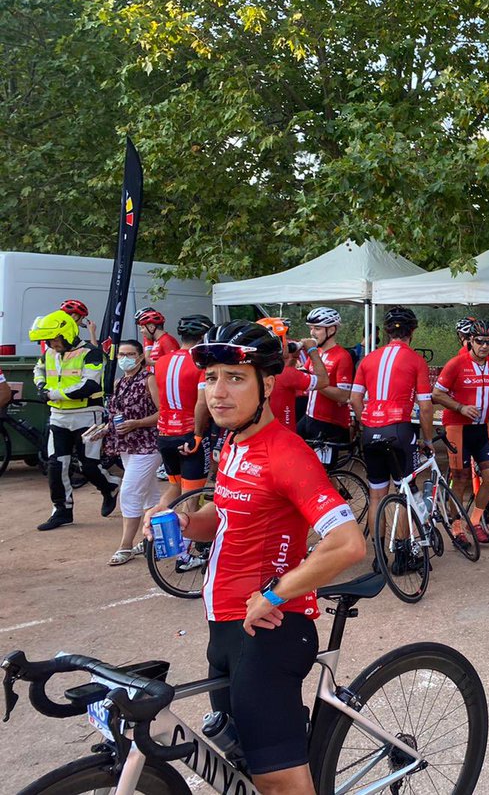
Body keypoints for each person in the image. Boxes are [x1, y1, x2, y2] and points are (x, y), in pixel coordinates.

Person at [145, 319, 365, 794]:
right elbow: (224, 514)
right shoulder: (233, 442)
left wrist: (275, 593)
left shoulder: (287, 454)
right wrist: (185, 523)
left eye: (235, 378)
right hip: (225, 629)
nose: (218, 392)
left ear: (267, 385)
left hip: (269, 632)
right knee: (242, 767)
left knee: (278, 783)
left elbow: (348, 543)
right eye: (211, 378)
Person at [30, 310, 119, 530]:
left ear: (67, 334)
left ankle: (109, 486)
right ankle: (62, 510)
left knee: (89, 466)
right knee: (56, 465)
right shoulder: (49, 353)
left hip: (87, 415)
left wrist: (52, 394)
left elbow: (89, 385)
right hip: (58, 417)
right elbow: (38, 368)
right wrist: (41, 385)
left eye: (55, 339)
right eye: (48, 340)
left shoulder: (91, 353)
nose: (52, 344)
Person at [350, 307, 434, 537]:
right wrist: (428, 440)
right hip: (399, 430)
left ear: (387, 332)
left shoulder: (368, 359)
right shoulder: (417, 360)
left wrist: (366, 422)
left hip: (371, 431)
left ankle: (378, 551)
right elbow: (426, 407)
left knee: (376, 495)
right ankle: (403, 549)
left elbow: (355, 399)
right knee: (406, 492)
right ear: (412, 332)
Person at [144, 316, 215, 554]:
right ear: (204, 337)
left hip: (165, 433)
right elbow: (202, 404)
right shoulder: (201, 362)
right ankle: (184, 555)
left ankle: (154, 532)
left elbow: (155, 394)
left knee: (174, 489)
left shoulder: (162, 361)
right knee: (190, 497)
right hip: (189, 434)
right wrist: (198, 435)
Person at [432, 317, 489, 544]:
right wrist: (460, 407)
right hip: (458, 428)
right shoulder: (456, 364)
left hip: (482, 427)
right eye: (480, 341)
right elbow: (437, 394)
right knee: (460, 480)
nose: (484, 346)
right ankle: (457, 528)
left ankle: (475, 521)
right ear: (470, 340)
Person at [105, 340, 159, 566]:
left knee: (129, 492)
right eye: (121, 354)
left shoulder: (149, 380)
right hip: (127, 445)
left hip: (148, 445)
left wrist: (138, 423)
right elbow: (115, 414)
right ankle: (153, 539)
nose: (125, 358)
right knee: (149, 493)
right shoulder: (119, 382)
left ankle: (125, 546)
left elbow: (163, 413)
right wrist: (104, 430)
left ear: (140, 357)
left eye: (130, 354)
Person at [299, 307, 355, 468]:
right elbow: (304, 376)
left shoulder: (342, 356)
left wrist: (315, 383)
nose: (312, 333)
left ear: (331, 330)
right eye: (310, 328)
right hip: (309, 416)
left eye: (317, 328)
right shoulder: (315, 352)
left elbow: (343, 395)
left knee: (323, 471)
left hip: (328, 423)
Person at [257, 318, 329, 433]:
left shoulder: (256, 370)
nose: (288, 343)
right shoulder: (286, 374)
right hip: (283, 436)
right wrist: (312, 350)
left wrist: (294, 358)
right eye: (285, 339)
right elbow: (323, 381)